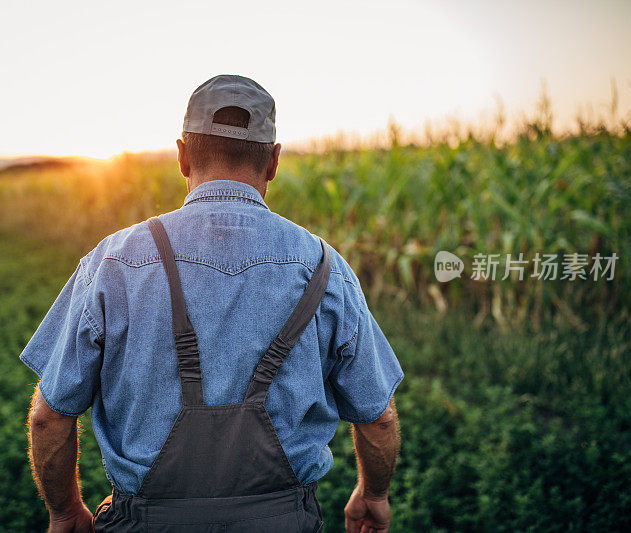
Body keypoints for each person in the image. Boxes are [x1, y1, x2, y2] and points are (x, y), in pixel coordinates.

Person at [21, 74, 403, 533]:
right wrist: (373, 495)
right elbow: (377, 418)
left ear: (182, 155)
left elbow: (49, 416)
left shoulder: (115, 261)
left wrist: (65, 512)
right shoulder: (325, 267)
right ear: (274, 162)